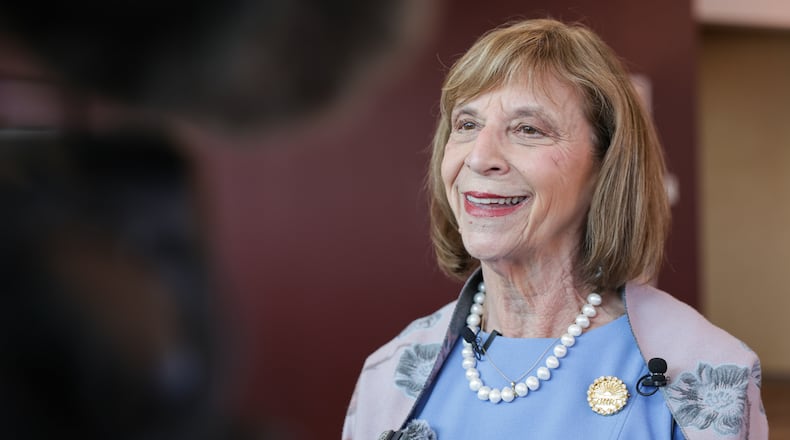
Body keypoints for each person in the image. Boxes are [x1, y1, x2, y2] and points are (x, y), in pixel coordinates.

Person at [342, 18, 768, 440]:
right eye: (467, 125)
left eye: (528, 129)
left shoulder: (706, 376)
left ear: (606, 166)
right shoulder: (392, 372)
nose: (479, 157)